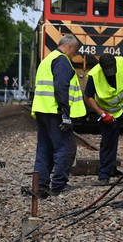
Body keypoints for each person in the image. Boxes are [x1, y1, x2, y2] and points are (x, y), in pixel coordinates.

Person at [31, 34, 86, 197]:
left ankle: (40, 185)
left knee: (45, 148)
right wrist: (65, 113)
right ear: (69, 47)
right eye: (74, 51)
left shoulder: (48, 59)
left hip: (42, 110)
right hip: (55, 111)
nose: (74, 55)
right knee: (67, 147)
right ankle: (59, 185)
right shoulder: (62, 60)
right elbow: (60, 87)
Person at [83, 54, 123, 184]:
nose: (111, 74)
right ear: (101, 68)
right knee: (108, 140)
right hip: (109, 110)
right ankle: (104, 176)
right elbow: (88, 97)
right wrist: (101, 113)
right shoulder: (94, 75)